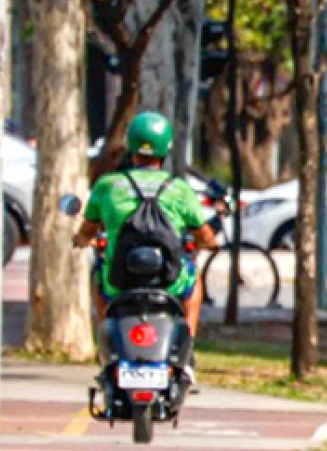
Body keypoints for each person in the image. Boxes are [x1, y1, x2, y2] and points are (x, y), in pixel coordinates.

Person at [74, 111, 220, 339]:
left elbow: (88, 230)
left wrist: (81, 239)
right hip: (170, 282)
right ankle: (187, 339)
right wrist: (209, 243)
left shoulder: (107, 186)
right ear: (166, 149)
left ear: (130, 146)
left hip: (119, 282)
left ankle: (106, 336)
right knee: (193, 276)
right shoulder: (179, 189)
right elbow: (204, 236)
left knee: (99, 274)